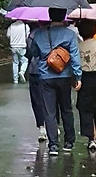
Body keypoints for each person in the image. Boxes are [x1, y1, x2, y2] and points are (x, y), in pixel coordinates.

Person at [26, 9, 81, 152]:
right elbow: (75, 56)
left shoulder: (39, 34)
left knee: (49, 111)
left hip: (45, 76)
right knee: (66, 108)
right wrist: (78, 76)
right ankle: (69, 142)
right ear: (64, 16)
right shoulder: (70, 34)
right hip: (65, 75)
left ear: (50, 16)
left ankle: (53, 145)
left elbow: (34, 53)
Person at [7, 17, 29, 83]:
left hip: (13, 46)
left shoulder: (11, 26)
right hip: (22, 45)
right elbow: (27, 36)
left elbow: (8, 35)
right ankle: (22, 71)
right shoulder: (25, 26)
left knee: (15, 62)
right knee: (25, 60)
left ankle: (15, 79)